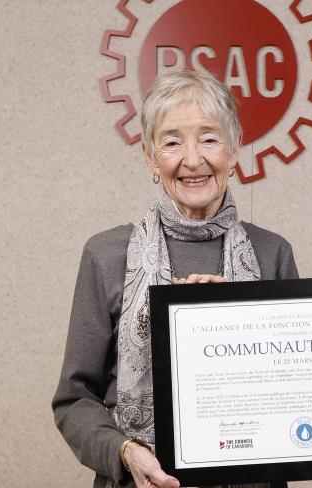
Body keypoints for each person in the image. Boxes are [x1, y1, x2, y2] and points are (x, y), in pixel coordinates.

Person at [53, 70, 297, 488]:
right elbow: (73, 400)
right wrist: (124, 452)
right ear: (150, 156)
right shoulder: (106, 254)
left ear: (234, 149)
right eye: (171, 141)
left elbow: (299, 394)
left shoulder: (272, 253)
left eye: (209, 138)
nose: (193, 159)